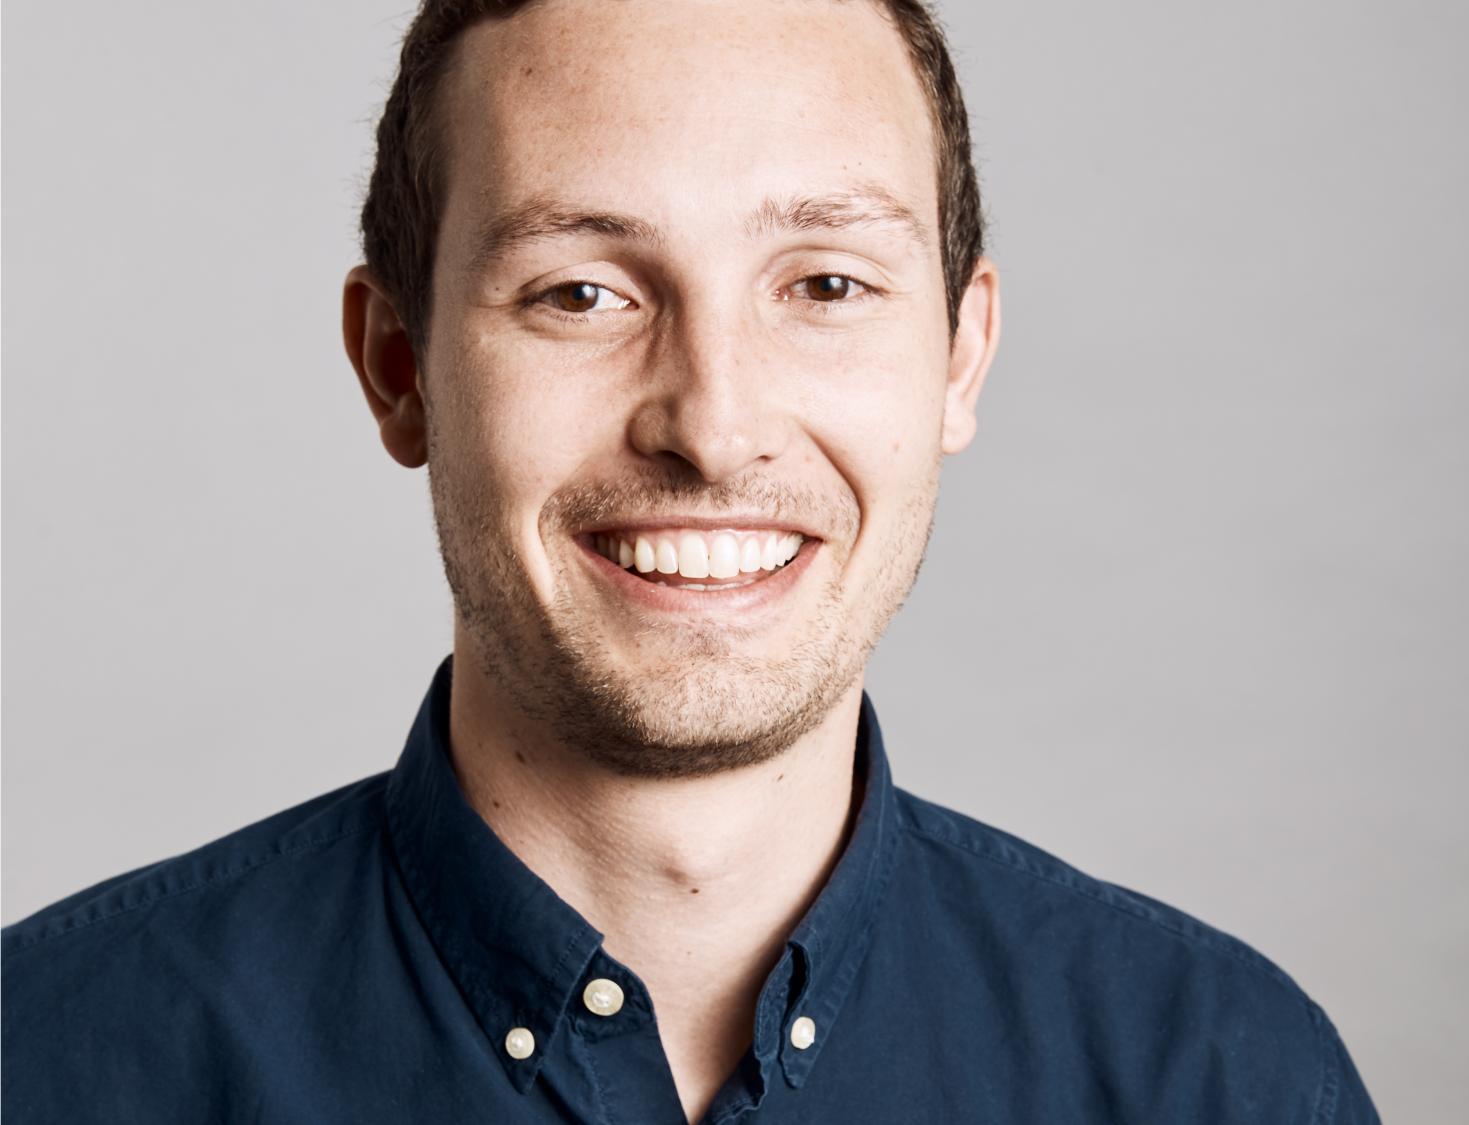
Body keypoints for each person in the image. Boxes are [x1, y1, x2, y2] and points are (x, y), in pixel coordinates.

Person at [2, 1, 1382, 1121]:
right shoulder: (49, 1064)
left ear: (960, 356)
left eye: (826, 284)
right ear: (399, 367)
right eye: (581, 293)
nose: (712, 426)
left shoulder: (1227, 1082)